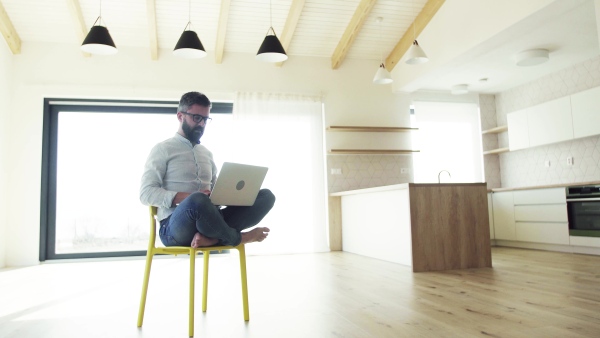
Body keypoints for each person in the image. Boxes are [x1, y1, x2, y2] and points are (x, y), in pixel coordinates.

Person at [140, 91, 275, 248]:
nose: (202, 124)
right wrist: (189, 197)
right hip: (174, 227)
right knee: (198, 199)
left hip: (209, 222)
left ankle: (214, 239)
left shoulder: (207, 154)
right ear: (180, 116)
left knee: (266, 196)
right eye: (197, 118)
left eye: (205, 119)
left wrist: (233, 196)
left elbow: (215, 193)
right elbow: (145, 193)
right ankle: (240, 238)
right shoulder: (162, 149)